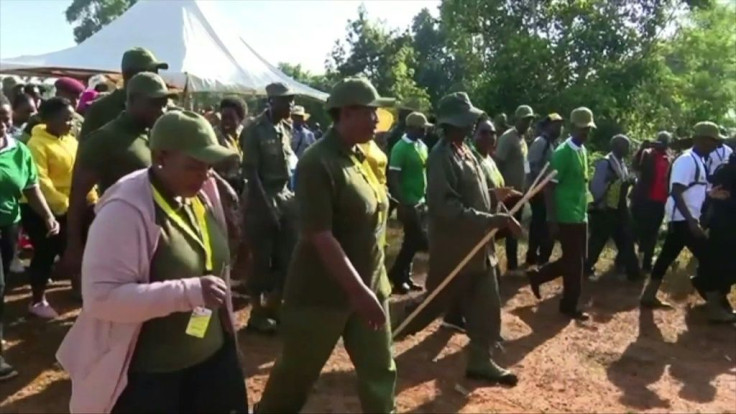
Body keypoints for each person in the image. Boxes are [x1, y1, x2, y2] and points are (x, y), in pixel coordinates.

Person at [56, 110, 247, 414]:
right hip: (153, 378)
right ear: (160, 157)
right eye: (195, 165)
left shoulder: (200, 191)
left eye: (209, 165)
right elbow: (102, 299)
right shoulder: (125, 209)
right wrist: (189, 292)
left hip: (210, 360)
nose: (206, 174)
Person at [255, 77, 396, 413]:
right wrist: (359, 292)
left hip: (372, 285)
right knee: (295, 377)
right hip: (321, 295)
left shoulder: (359, 156)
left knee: (380, 371)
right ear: (346, 113)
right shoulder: (318, 162)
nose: (377, 119)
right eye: (370, 112)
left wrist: (373, 289)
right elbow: (320, 235)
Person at [398, 92, 521, 385]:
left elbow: (476, 194)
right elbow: (445, 206)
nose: (472, 124)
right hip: (455, 249)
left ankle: (481, 359)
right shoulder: (441, 156)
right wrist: (491, 220)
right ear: (453, 123)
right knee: (434, 303)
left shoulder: (466, 152)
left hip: (480, 246)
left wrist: (495, 200)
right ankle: (384, 335)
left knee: (488, 305)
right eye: (468, 120)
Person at [58, 73, 174, 282]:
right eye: (155, 103)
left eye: (164, 103)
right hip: (121, 236)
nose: (162, 110)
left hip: (156, 235)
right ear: (132, 101)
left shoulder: (153, 134)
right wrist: (73, 245)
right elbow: (77, 195)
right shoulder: (105, 139)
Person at [0, 95, 59, 381]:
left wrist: (47, 215)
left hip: (8, 228)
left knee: (3, 285)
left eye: (6, 117)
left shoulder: (18, 151)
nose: (3, 124)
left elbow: (32, 186)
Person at [24, 98, 97, 318]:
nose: (70, 122)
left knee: (81, 248)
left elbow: (82, 173)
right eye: (65, 118)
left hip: (75, 205)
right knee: (46, 252)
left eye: (72, 117)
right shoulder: (36, 145)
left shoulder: (71, 141)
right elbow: (40, 182)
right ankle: (37, 300)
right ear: (48, 119)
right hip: (43, 209)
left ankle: (79, 289)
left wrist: (92, 199)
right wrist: (65, 208)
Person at [641, 122, 722, 308]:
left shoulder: (697, 160)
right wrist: (692, 221)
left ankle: (648, 295)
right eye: (712, 141)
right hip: (684, 219)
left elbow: (690, 190)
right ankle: (716, 308)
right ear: (701, 140)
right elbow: (676, 191)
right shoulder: (687, 160)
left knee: (666, 256)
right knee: (710, 258)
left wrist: (711, 193)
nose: (715, 145)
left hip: (683, 219)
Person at [527, 107, 596, 321]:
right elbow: (549, 187)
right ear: (574, 127)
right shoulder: (563, 153)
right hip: (566, 215)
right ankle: (569, 305)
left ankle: (538, 276)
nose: (586, 133)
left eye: (589, 129)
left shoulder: (582, 150)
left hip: (579, 214)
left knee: (576, 260)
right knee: (574, 264)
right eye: (583, 128)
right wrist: (552, 218)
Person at [240, 82, 297, 334]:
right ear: (272, 101)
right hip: (260, 199)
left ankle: (274, 306)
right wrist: (266, 208)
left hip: (285, 196)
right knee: (260, 259)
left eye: (291, 100)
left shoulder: (285, 128)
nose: (290, 105)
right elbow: (251, 174)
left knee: (289, 257)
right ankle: (256, 313)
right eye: (286, 101)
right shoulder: (254, 130)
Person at [79, 47, 168, 141]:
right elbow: (86, 150)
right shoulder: (101, 110)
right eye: (151, 72)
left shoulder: (159, 108)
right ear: (130, 75)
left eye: (156, 72)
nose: (156, 77)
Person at [586, 134, 641, 281]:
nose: (628, 149)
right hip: (605, 209)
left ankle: (632, 272)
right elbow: (596, 187)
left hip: (619, 208)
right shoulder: (605, 163)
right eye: (625, 146)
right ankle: (585, 269)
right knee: (597, 241)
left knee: (626, 239)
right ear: (616, 146)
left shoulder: (620, 162)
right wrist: (599, 204)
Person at [387, 111, 430, 295]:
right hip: (408, 203)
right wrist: (402, 202)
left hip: (420, 200)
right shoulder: (400, 148)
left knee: (410, 241)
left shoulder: (421, 146)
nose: (425, 132)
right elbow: (393, 177)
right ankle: (397, 274)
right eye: (421, 129)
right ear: (411, 128)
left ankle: (404, 276)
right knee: (416, 240)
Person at [694, 152, 736, 322]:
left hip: (722, 224)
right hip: (725, 226)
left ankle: (715, 298)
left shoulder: (723, 170)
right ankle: (715, 305)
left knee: (721, 266)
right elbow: (719, 197)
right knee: (722, 266)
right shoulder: (726, 172)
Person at [494, 105, 535, 273]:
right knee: (506, 229)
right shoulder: (507, 138)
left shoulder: (522, 139)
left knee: (513, 229)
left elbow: (524, 165)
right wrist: (500, 189)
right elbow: (497, 163)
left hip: (520, 193)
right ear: (517, 119)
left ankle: (511, 265)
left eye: (530, 120)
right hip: (508, 193)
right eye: (525, 120)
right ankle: (509, 265)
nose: (528, 123)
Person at [630, 131, 672, 273]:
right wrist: (642, 148)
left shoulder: (669, 158)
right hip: (643, 199)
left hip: (659, 201)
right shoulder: (647, 153)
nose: (663, 144)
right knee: (636, 230)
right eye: (660, 141)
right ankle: (628, 261)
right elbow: (635, 166)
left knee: (652, 233)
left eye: (665, 142)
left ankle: (647, 263)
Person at [525, 113, 563, 267]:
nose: (559, 128)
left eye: (561, 125)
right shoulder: (541, 142)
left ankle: (541, 257)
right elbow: (528, 165)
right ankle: (533, 257)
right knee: (539, 224)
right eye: (556, 124)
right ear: (547, 125)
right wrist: (535, 185)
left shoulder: (553, 144)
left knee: (544, 225)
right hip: (539, 191)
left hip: (548, 191)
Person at [215, 97, 247, 194]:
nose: (227, 121)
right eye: (224, 117)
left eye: (231, 118)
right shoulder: (215, 136)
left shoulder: (244, 134)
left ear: (241, 119)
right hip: (221, 189)